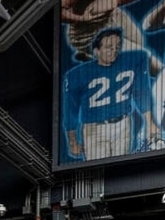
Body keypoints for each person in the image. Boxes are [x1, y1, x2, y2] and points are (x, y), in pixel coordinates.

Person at [62, 27, 158, 161]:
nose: (114, 51)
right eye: (109, 47)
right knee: (99, 174)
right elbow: (70, 110)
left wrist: (150, 123)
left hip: (123, 124)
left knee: (120, 171)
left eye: (117, 46)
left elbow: (141, 91)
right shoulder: (77, 74)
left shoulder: (132, 60)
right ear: (96, 51)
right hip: (94, 129)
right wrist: (72, 141)